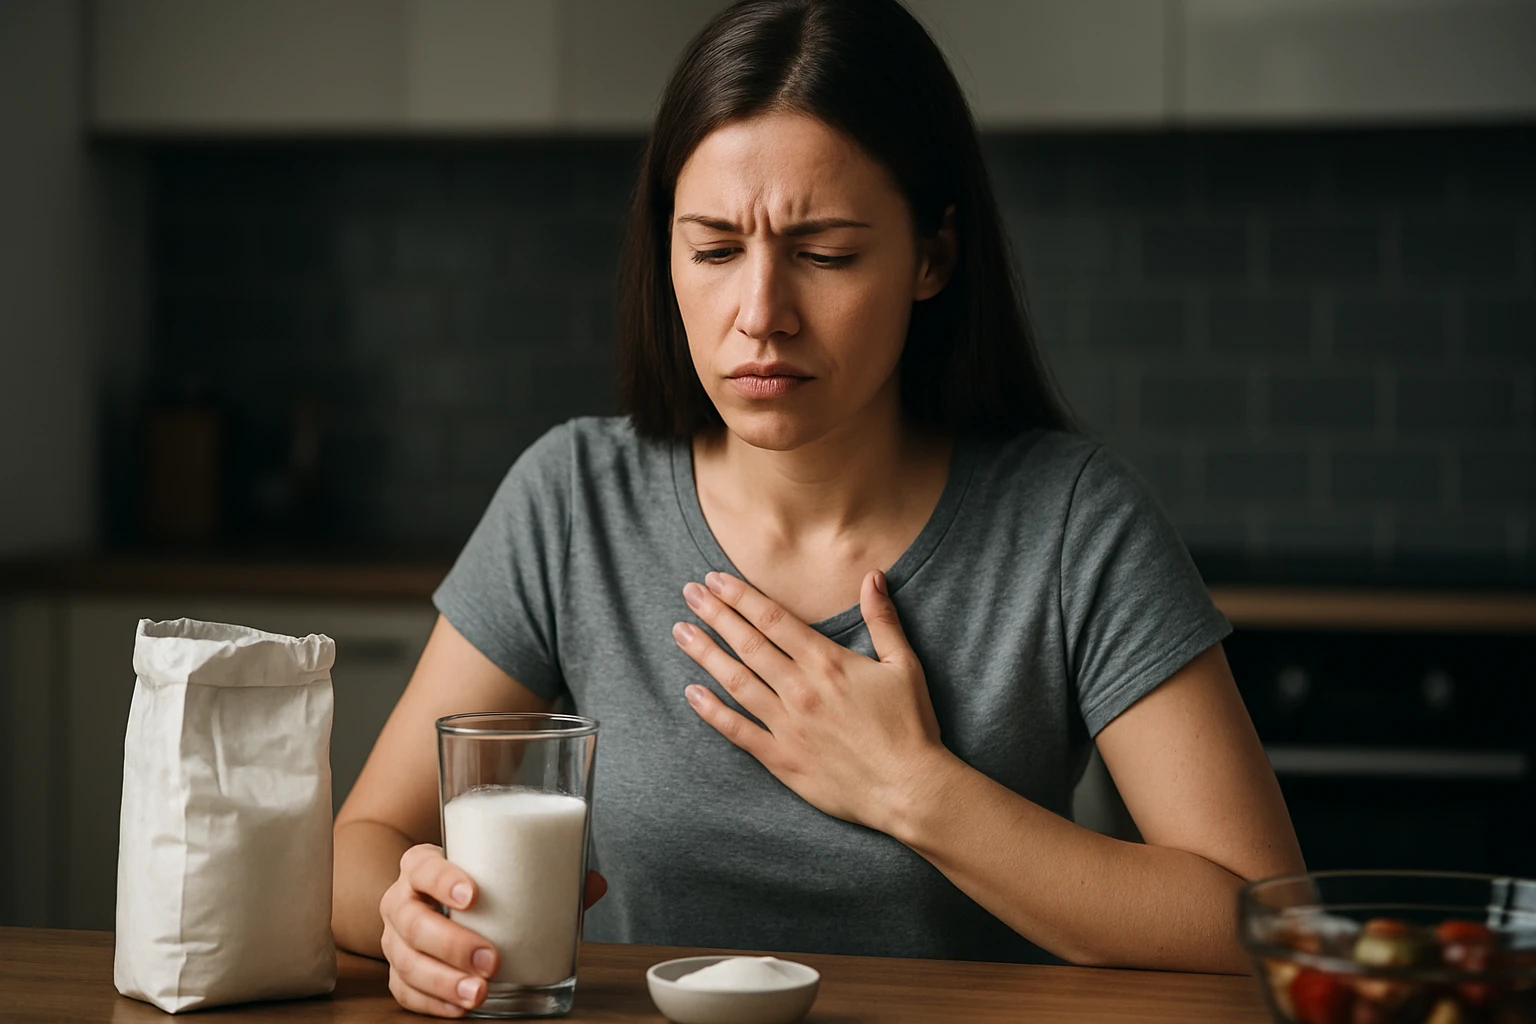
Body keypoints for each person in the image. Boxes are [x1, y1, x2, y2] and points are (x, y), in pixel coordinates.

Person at [331, 0, 1306, 1015]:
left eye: (826, 253)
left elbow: (1263, 923)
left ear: (933, 255)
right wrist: (411, 919)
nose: (761, 315)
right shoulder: (572, 500)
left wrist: (911, 787)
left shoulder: (1073, 524)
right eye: (714, 250)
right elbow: (359, 850)